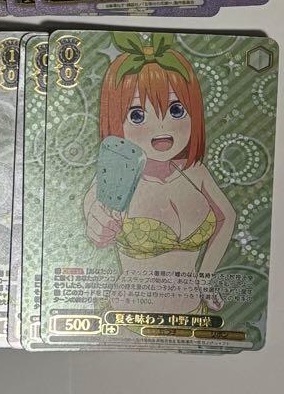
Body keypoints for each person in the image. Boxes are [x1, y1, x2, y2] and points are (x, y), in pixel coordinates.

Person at [84, 34, 235, 313]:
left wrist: (205, 278)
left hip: (194, 314)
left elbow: (226, 218)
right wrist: (99, 225)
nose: (161, 127)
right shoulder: (115, 175)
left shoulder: (195, 172)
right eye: (137, 115)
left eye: (176, 110)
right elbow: (96, 216)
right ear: (115, 120)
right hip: (129, 318)